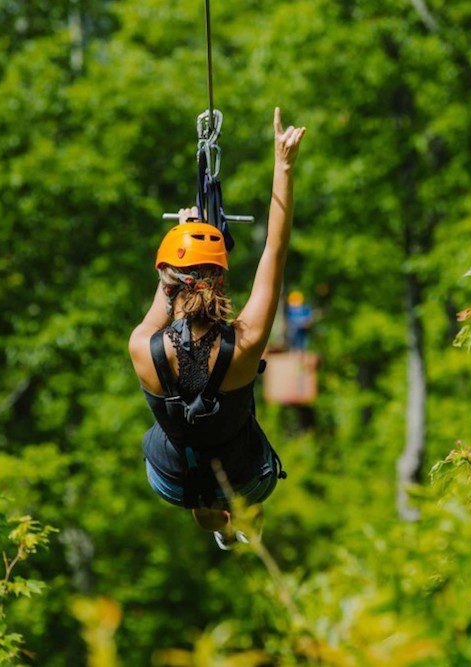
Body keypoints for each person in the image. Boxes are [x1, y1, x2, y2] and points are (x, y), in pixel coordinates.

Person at [128, 108, 306, 550]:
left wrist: (184, 234)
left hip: (172, 479)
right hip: (245, 476)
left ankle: (217, 522)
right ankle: (244, 516)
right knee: (240, 465)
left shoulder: (142, 348)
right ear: (219, 279)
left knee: (185, 448)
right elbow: (274, 253)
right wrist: (282, 167)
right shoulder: (244, 344)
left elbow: (165, 292)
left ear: (167, 279)